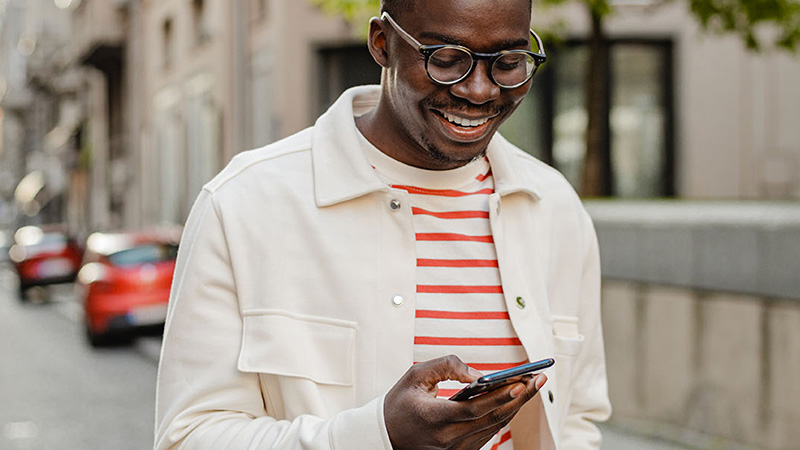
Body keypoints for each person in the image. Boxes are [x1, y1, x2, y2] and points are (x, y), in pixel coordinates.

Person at [154, 0, 611, 448]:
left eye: (508, 62)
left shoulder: (555, 208)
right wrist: (377, 436)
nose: (478, 91)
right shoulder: (243, 204)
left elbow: (577, 420)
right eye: (446, 59)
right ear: (382, 43)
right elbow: (189, 437)